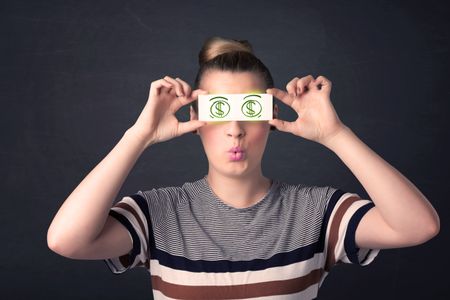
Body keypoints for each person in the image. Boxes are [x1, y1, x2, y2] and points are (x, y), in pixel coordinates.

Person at [47, 36, 440, 300]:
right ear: (196, 120)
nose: (234, 130)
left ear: (270, 118)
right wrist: (139, 135)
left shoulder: (316, 213)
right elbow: (67, 241)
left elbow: (418, 227)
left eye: (249, 110)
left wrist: (336, 134)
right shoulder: (159, 214)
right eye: (219, 111)